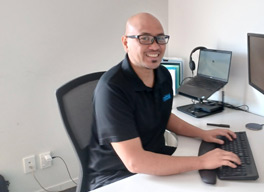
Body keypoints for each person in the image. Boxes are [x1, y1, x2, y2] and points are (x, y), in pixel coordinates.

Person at [87, 12, 241, 190]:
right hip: (118, 176)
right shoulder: (112, 89)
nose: (155, 46)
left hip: (154, 159)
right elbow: (134, 162)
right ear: (125, 42)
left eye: (160, 38)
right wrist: (201, 161)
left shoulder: (162, 75)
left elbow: (163, 115)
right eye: (144, 38)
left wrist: (202, 133)